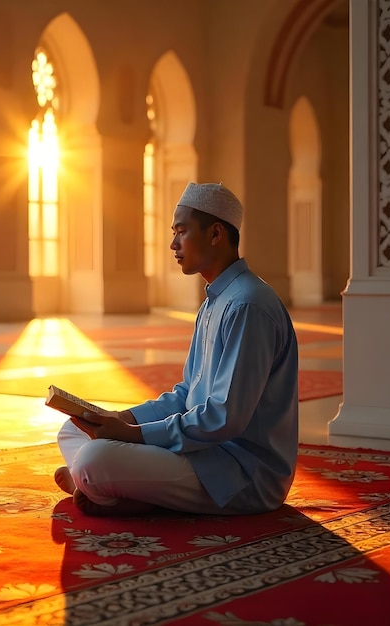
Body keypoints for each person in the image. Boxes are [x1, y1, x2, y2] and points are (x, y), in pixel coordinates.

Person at [54, 182, 299, 517]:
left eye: (181, 232)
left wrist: (135, 436)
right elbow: (186, 395)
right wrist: (120, 420)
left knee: (94, 460)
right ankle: (104, 488)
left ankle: (99, 486)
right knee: (73, 429)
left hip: (239, 471)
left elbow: (223, 419)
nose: (173, 244)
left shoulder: (247, 306)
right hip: (200, 451)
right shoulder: (215, 301)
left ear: (215, 234)